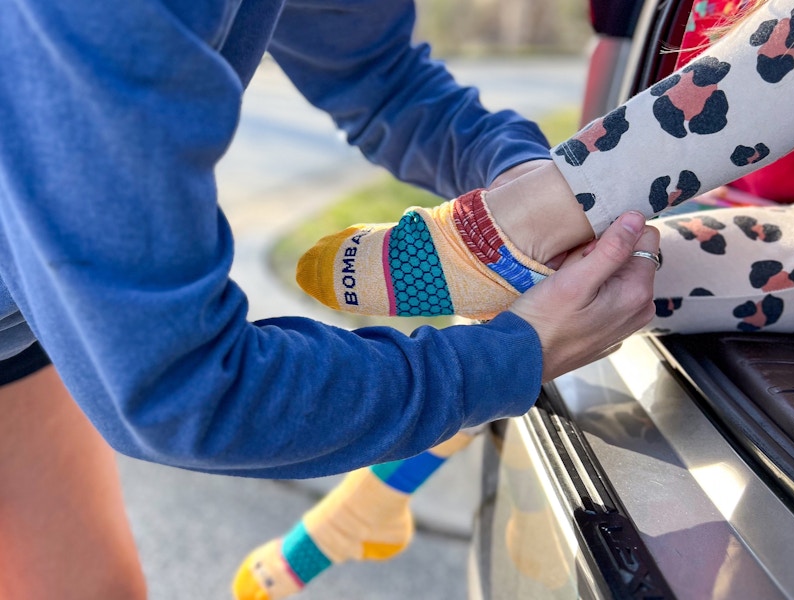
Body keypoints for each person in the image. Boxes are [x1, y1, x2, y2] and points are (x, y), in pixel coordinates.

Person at [0, 2, 660, 598]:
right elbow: (185, 388)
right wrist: (511, 357)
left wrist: (519, 176)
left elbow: (378, 73)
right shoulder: (96, 19)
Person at [297, 0, 794, 390]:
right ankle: (515, 256)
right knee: (586, 275)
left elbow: (385, 81)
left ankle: (499, 238)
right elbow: (378, 80)